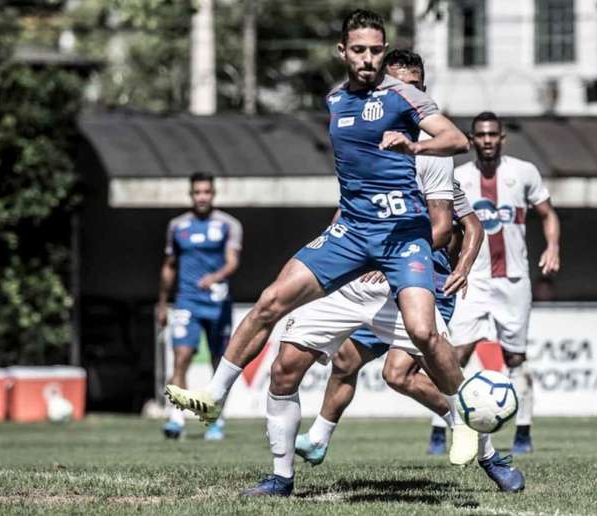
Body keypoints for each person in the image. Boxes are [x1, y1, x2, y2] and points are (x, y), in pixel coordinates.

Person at [166, 7, 469, 478]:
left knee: (423, 333)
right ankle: (215, 395)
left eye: (376, 50)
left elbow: (455, 139)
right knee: (271, 300)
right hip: (350, 233)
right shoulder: (334, 100)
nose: (368, 58)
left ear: (384, 52)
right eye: (360, 50)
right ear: (343, 51)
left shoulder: (403, 95)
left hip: (402, 235)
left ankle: (463, 418)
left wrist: (415, 146)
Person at [287, 51, 523, 493]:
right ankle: (318, 438)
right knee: (346, 360)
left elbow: (464, 224)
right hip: (379, 276)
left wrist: (464, 264)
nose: (404, 95)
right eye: (397, 86)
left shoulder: (432, 157)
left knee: (404, 373)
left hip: (422, 277)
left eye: (413, 87)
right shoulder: (369, 150)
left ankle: (487, 451)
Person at [451, 111, 561, 455]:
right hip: (473, 280)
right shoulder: (457, 177)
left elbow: (548, 213)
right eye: (480, 135)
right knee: (454, 357)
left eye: (492, 135)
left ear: (502, 139)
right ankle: (446, 431)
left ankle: (523, 432)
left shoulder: (523, 172)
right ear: (471, 140)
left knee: (515, 358)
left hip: (513, 280)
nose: (486, 140)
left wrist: (553, 247)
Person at [157, 172, 242, 440]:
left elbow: (232, 261)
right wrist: (162, 303)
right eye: (197, 192)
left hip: (217, 302)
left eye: (206, 192)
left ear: (213, 194)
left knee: (219, 362)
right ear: (191, 195)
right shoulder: (177, 226)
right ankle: (176, 419)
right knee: (181, 358)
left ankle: (214, 419)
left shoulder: (229, 224)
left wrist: (215, 277)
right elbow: (169, 266)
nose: (202, 197)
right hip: (186, 301)